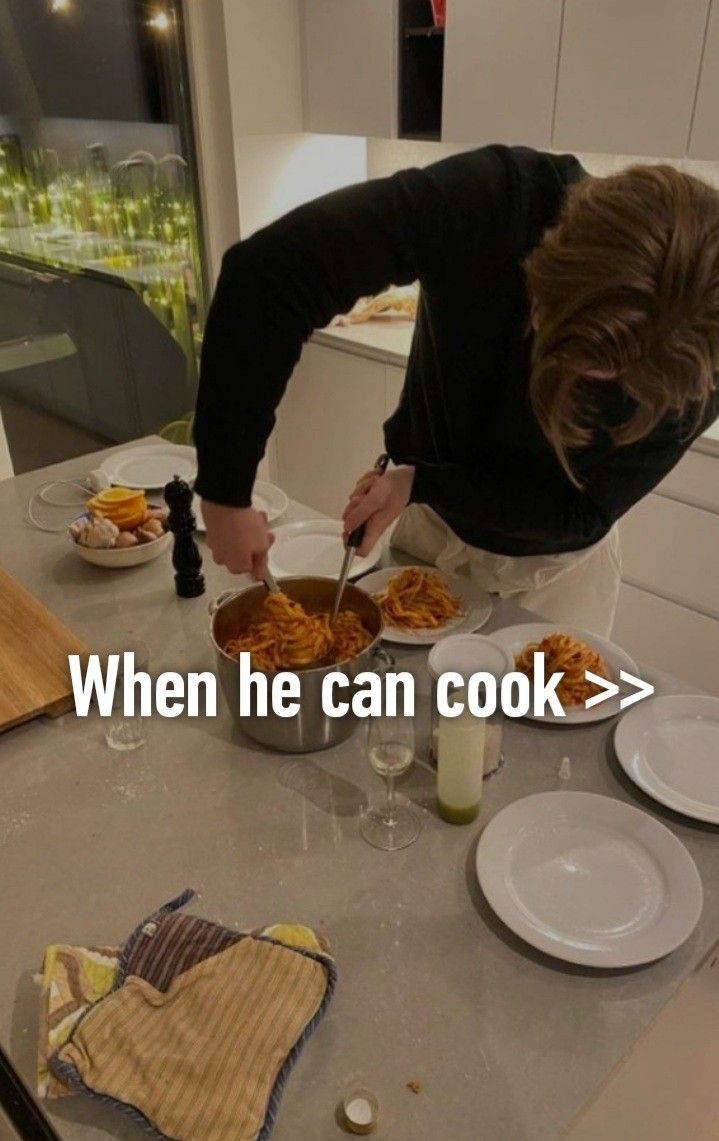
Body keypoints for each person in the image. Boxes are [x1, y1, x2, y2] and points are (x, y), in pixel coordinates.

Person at [193, 145, 719, 636]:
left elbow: (577, 509)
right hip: (430, 532)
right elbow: (272, 273)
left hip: (559, 577)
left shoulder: (700, 353)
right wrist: (225, 492)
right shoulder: (494, 203)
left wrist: (423, 482)